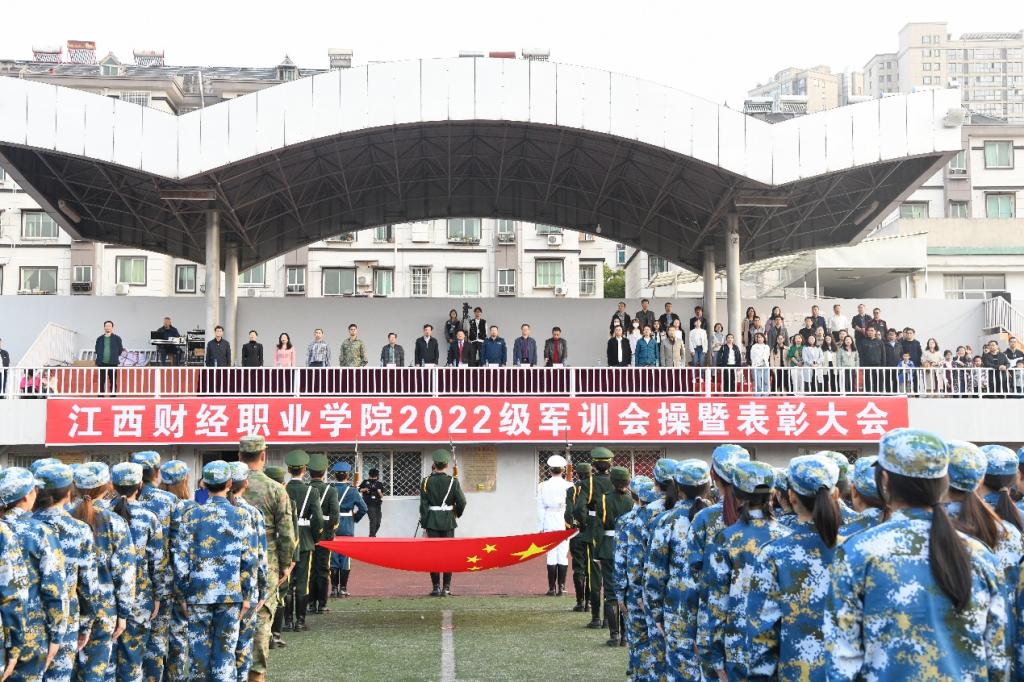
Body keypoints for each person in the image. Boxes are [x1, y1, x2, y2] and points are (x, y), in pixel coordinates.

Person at [825, 428, 1009, 680]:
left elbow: (842, 661)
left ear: (885, 480)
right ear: (943, 483)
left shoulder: (858, 552)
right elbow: (997, 660)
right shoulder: (979, 555)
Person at [746, 455, 840, 680]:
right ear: (835, 495)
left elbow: (761, 633)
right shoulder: (857, 550)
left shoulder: (774, 554)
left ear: (791, 496)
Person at [699, 460, 791, 679]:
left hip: (739, 647)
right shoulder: (788, 537)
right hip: (783, 648)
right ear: (772, 494)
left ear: (737, 497)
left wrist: (716, 657)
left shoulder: (725, 539)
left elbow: (716, 603)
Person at [174, 461, 256, 682]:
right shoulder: (242, 516)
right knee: (225, 656)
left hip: (198, 594)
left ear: (204, 484)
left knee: (198, 658)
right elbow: (249, 560)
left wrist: (182, 595)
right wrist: (247, 595)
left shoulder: (191, 516)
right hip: (230, 595)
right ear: (229, 483)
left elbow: (180, 562)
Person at [674, 444, 750, 680]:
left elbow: (691, 583)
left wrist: (689, 633)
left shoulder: (705, 518)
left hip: (712, 628)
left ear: (713, 476)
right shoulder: (771, 521)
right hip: (759, 631)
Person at [642, 460, 711, 679]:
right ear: (708, 486)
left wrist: (656, 614)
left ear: (678, 487)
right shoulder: (720, 519)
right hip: (714, 612)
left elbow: (654, 575)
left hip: (678, 611)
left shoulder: (666, 521)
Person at [32, 463, 99, 682]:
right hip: (66, 619)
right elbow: (88, 584)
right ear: (69, 492)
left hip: (27, 620)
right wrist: (86, 624)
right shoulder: (80, 529)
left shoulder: (23, 526)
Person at [1, 467, 69, 682]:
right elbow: (55, 589)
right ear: (26, 496)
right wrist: (57, 635)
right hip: (29, 633)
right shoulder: (40, 532)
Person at [69, 462, 135, 682]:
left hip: (69, 608)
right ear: (107, 486)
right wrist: (123, 614)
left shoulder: (64, 519)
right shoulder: (115, 522)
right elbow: (125, 573)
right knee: (97, 675)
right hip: (103, 609)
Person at [238, 435, 296, 682]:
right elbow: (286, 532)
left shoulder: (229, 486)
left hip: (230, 564)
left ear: (240, 456)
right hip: (266, 562)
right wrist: (285, 564)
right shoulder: (275, 489)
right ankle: (256, 674)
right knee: (261, 620)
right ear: (263, 456)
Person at [109, 462, 163, 682]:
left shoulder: (100, 514)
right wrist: (158, 595)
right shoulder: (149, 517)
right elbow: (157, 563)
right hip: (139, 598)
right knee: (133, 663)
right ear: (140, 485)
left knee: (105, 665)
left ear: (113, 485)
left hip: (107, 599)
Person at [132, 451, 179, 682]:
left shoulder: (114, 503)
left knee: (128, 645)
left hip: (127, 583)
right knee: (157, 642)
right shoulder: (168, 500)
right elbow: (178, 543)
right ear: (157, 472)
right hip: (161, 581)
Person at [158, 459, 200, 681]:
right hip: (179, 579)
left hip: (154, 579)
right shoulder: (189, 508)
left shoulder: (148, 503)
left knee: (154, 636)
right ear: (185, 480)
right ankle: (174, 676)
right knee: (178, 634)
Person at [614, 478, 658, 678]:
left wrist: (620, 592)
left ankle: (637, 675)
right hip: (658, 590)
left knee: (638, 641)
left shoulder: (626, 520)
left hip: (634, 591)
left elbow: (622, 560)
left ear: (634, 496)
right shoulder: (665, 517)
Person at [227, 462, 267, 682]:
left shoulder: (200, 511)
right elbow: (259, 556)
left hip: (212, 592)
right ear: (245, 483)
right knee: (242, 648)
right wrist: (263, 590)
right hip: (245, 590)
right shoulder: (251, 513)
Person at [574, 447, 615, 629]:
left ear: (594, 465)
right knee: (610, 576)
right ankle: (608, 620)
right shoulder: (616, 481)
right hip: (612, 533)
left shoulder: (588, 483)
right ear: (610, 464)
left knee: (594, 576)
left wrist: (584, 523)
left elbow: (578, 508)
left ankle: (596, 618)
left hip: (594, 532)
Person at [283, 450, 322, 632]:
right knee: (302, 582)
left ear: (289, 470)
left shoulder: (282, 489)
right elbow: (318, 519)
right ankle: (300, 622)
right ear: (305, 470)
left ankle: (287, 621)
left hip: (285, 539)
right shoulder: (311, 491)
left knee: (286, 581)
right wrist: (315, 536)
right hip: (305, 539)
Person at [420, 449, 467, 596]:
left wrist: (424, 523)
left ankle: (436, 587)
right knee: (448, 554)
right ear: (446, 465)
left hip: (432, 521)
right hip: (448, 521)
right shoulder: (453, 481)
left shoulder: (426, 481)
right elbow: (462, 502)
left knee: (433, 555)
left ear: (434, 464)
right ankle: (446, 588)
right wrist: (456, 513)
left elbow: (423, 506)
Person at [597, 467, 634, 647]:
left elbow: (599, 524)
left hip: (608, 545)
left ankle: (614, 635)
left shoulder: (604, 499)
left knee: (611, 592)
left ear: (612, 481)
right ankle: (625, 637)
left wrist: (597, 551)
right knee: (625, 591)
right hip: (627, 546)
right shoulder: (632, 500)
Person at [537, 455, 574, 596]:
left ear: (550, 470)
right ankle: (562, 587)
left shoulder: (542, 486)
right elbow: (572, 507)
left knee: (551, 554)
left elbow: (540, 508)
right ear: (563, 470)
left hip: (548, 520)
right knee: (563, 554)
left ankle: (551, 588)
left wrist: (540, 526)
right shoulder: (569, 485)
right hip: (564, 520)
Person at [306, 454, 339, 615]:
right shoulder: (330, 490)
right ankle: (322, 603)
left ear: (308, 472)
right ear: (324, 472)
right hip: (325, 535)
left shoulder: (306, 489)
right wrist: (329, 532)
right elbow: (335, 515)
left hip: (306, 533)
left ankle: (310, 603)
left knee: (309, 569)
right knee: (323, 568)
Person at [330, 463, 367, 599]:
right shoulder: (352, 491)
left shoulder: (330, 489)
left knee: (333, 558)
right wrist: (354, 518)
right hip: (347, 525)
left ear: (334, 475)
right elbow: (364, 508)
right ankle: (343, 589)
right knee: (345, 557)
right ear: (347, 475)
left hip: (332, 524)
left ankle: (334, 588)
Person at [566, 462, 593, 613]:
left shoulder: (572, 490)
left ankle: (580, 602)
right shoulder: (595, 488)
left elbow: (568, 513)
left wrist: (570, 529)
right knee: (591, 568)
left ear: (577, 474)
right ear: (590, 474)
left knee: (578, 568)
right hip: (592, 532)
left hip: (577, 532)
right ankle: (589, 602)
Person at [95, 320, 124, 396]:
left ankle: (113, 394)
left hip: (113, 363)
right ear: (104, 327)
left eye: (109, 326)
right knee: (101, 380)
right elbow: (97, 349)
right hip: (102, 363)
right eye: (106, 326)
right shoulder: (99, 338)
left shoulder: (117, 338)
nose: (108, 327)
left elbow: (120, 350)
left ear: (112, 327)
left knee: (113, 380)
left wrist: (114, 356)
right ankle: (101, 395)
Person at [357, 468, 385, 537]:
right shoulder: (365, 482)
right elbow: (359, 489)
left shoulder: (379, 484)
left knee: (378, 522)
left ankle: (372, 535)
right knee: (373, 520)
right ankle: (372, 537)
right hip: (368, 504)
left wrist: (379, 492)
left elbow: (382, 496)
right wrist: (365, 489)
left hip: (377, 505)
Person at [858, 326, 885, 392]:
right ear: (867, 332)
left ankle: (879, 395)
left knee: (878, 382)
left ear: (875, 332)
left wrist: (883, 366)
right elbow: (861, 355)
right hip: (866, 366)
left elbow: (883, 355)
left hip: (878, 366)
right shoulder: (863, 342)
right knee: (867, 382)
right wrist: (861, 366)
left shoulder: (880, 342)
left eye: (872, 330)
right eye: (868, 330)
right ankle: (868, 394)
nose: (870, 332)